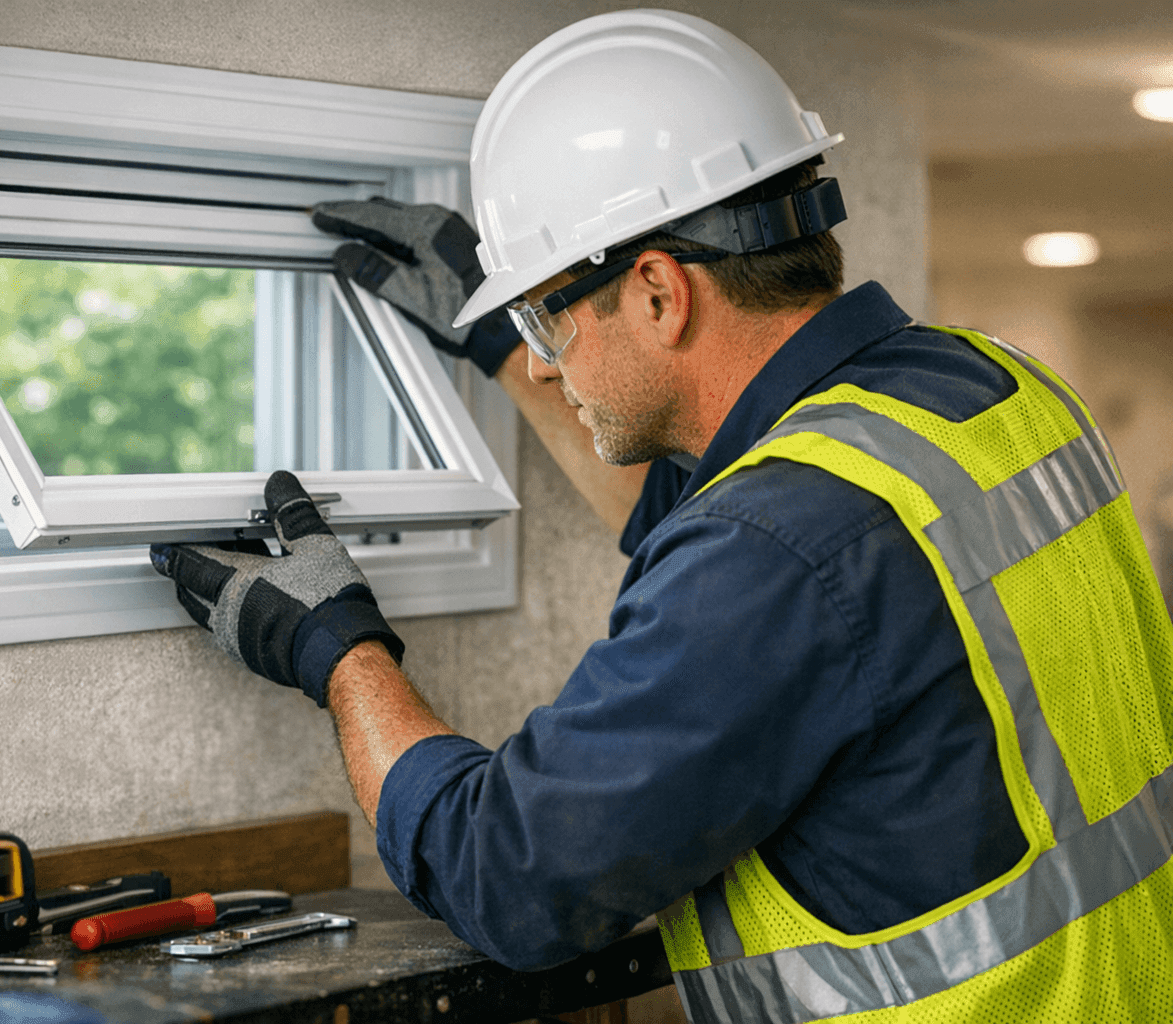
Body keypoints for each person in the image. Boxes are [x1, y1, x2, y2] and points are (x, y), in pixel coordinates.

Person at [151, 10, 1173, 1021]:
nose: (550, 361)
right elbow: (761, 551)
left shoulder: (776, 547)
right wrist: (504, 349)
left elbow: (507, 875)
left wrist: (338, 652)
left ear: (655, 291)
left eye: (550, 314)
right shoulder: (994, 386)